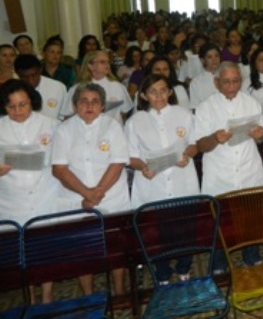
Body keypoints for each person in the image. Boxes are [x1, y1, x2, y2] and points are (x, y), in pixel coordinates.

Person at [51, 82, 130, 296]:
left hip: (112, 196)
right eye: (83, 101)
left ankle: (120, 291)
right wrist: (86, 194)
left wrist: (97, 192)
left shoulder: (112, 126)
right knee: (82, 250)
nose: (89, 105)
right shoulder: (64, 130)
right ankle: (89, 295)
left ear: (103, 106)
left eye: (95, 101)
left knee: (115, 247)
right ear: (75, 105)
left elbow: (118, 162)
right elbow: (59, 168)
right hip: (75, 198)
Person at [124, 74, 200, 283]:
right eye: (152, 91)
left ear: (170, 92)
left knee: (185, 229)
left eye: (163, 90)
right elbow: (130, 157)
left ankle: (184, 267)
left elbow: (194, 143)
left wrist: (187, 154)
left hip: (181, 179)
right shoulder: (135, 121)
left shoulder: (183, 114)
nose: (158, 95)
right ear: (144, 96)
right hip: (152, 182)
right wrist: (143, 167)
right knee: (156, 233)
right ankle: (162, 272)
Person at [194, 62, 263, 267]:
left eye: (236, 81)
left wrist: (260, 136)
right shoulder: (205, 108)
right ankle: (219, 262)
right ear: (216, 82)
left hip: (248, 167)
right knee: (220, 220)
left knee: (250, 214)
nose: (231, 86)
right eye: (226, 82)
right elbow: (200, 145)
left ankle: (252, 256)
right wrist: (215, 138)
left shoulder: (251, 103)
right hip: (219, 173)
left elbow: (261, 139)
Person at [0, 79, 59, 303]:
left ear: (31, 102)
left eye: (22, 105)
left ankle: (47, 294)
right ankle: (29, 296)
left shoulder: (50, 124)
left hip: (45, 193)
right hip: (10, 199)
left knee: (45, 249)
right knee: (20, 252)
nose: (17, 111)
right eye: (11, 107)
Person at [61, 51, 133, 124]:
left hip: (111, 132)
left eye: (108, 62)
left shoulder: (118, 87)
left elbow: (124, 112)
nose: (107, 65)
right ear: (90, 66)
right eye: (102, 62)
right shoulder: (77, 88)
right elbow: (67, 116)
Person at [14, 54, 66, 120]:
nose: (30, 80)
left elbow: (64, 117)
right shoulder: (12, 91)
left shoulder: (58, 88)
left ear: (40, 70)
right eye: (25, 77)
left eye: (34, 75)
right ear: (17, 74)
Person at [189, 43, 221, 109]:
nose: (214, 60)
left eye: (216, 56)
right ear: (202, 60)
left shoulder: (228, 75)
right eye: (209, 57)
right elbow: (194, 107)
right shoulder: (196, 82)